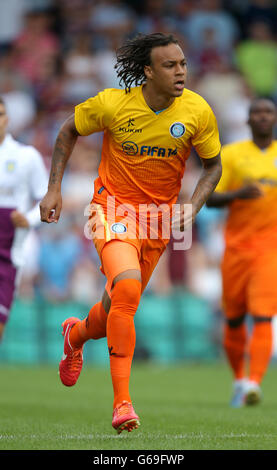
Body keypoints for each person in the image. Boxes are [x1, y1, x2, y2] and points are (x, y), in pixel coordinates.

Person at [40, 32, 222, 433]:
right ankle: (122, 403)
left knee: (116, 311)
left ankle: (76, 335)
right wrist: (54, 188)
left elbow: (213, 166)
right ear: (148, 71)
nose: (181, 72)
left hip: (158, 222)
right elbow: (69, 130)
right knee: (126, 287)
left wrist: (192, 206)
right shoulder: (113, 104)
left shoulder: (197, 111)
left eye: (183, 64)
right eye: (170, 66)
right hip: (111, 209)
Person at [206, 98, 277, 407]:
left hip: (270, 249)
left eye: (268, 112)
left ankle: (254, 383)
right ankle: (238, 380)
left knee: (263, 315)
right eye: (256, 113)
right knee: (234, 319)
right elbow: (210, 198)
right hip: (235, 248)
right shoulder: (232, 155)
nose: (262, 117)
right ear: (247, 121)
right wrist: (238, 194)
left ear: (275, 118)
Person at [0, 96, 48, 340]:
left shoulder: (26, 156)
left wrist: (28, 219)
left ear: (7, 118)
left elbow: (48, 202)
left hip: (9, 248)